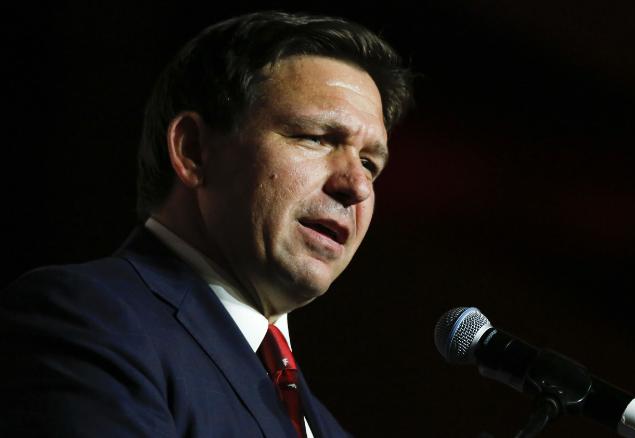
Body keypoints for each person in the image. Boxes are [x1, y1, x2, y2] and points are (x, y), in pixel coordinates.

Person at [0, 11, 413, 437]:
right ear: (194, 151)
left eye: (370, 162)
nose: (357, 185)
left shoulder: (324, 426)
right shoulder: (87, 321)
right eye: (316, 138)